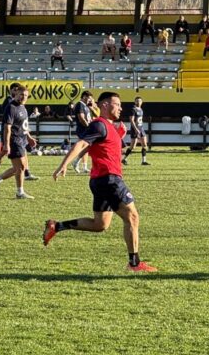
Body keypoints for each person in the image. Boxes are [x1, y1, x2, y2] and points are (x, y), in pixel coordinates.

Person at [45, 91, 157, 273]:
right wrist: (63, 165)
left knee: (100, 225)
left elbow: (102, 148)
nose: (121, 108)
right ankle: (135, 264)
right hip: (109, 179)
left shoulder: (109, 127)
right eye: (117, 104)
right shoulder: (99, 125)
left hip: (100, 180)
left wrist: (119, 135)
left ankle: (56, 226)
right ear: (104, 105)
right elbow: (81, 144)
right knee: (133, 217)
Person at [0, 84, 37, 199]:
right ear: (16, 94)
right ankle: (19, 192)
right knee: (20, 168)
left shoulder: (23, 107)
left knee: (22, 167)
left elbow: (24, 125)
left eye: (25, 95)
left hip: (22, 139)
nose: (23, 97)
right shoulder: (11, 107)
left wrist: (29, 137)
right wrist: (7, 144)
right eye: (21, 95)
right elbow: (7, 127)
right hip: (14, 140)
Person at [69, 91, 94, 174]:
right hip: (83, 129)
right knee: (84, 147)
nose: (90, 100)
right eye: (89, 98)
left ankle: (83, 166)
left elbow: (88, 118)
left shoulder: (85, 106)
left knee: (86, 147)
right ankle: (74, 162)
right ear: (84, 97)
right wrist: (88, 127)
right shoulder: (80, 105)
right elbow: (81, 118)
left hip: (85, 129)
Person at [122, 96, 150, 166]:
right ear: (134, 102)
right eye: (137, 101)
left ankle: (144, 161)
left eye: (140, 101)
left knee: (144, 145)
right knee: (132, 146)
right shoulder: (133, 109)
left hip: (141, 128)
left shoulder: (141, 109)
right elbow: (131, 120)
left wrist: (140, 128)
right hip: (135, 129)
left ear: (142, 102)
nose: (138, 102)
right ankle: (124, 159)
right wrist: (136, 129)